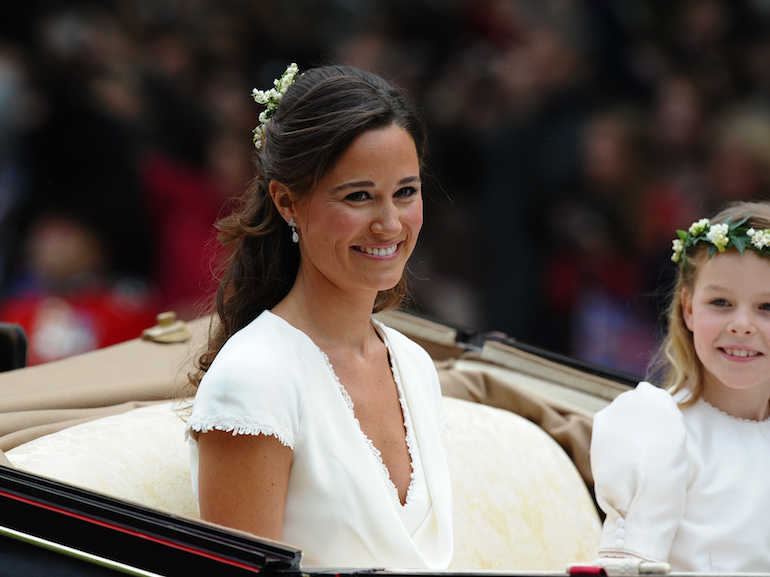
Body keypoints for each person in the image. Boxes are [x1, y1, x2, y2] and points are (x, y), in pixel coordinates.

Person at [183, 63, 453, 569]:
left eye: (406, 192)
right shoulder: (254, 378)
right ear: (287, 202)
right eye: (358, 196)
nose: (390, 224)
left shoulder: (414, 365)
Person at [590, 200, 770, 572]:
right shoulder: (660, 429)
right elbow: (629, 569)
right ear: (688, 308)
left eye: (767, 307)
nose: (742, 324)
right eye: (720, 302)